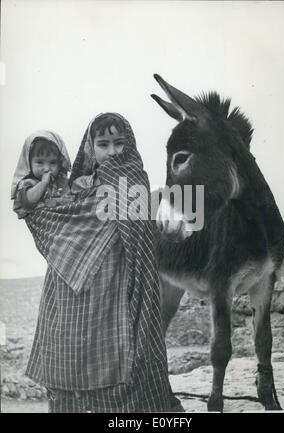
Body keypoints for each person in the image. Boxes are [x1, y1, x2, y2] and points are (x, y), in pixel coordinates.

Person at [13, 114, 172, 413]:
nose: (112, 151)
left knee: (118, 355)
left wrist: (163, 216)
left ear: (129, 144)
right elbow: (46, 214)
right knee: (68, 351)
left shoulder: (135, 180)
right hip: (68, 281)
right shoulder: (76, 186)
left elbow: (145, 226)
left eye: (118, 143)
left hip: (117, 279)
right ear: (90, 147)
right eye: (103, 144)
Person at [11, 131, 72, 219]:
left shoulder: (62, 180)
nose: (47, 168)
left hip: (63, 220)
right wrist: (43, 183)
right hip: (43, 223)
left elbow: (71, 197)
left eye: (53, 162)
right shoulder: (27, 183)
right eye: (40, 162)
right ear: (29, 163)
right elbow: (28, 201)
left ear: (60, 163)